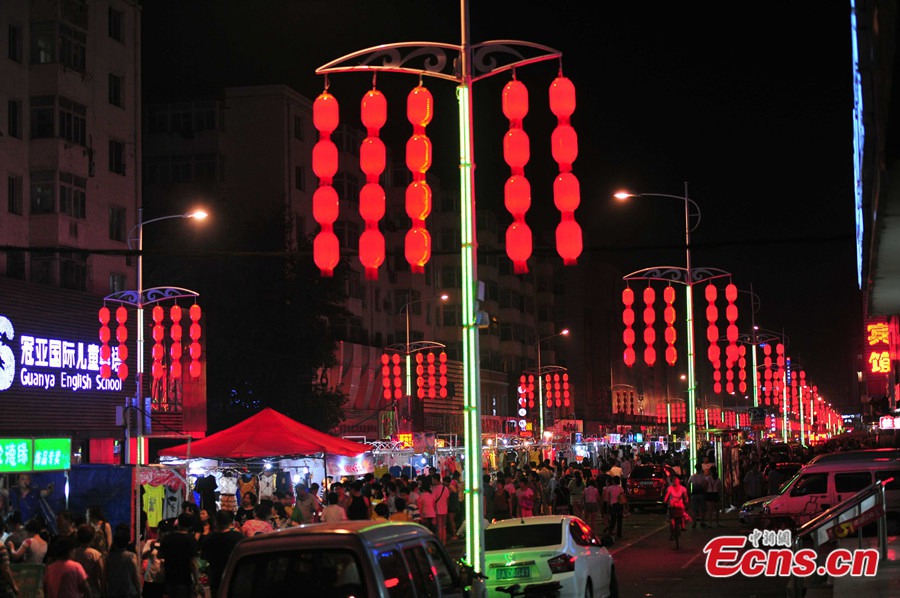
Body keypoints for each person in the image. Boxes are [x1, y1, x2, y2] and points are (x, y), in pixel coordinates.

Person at [201, 510, 243, 598]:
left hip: (215, 574)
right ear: (230, 522)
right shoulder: (238, 537)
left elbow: (204, 557)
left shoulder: (209, 538)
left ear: (215, 522)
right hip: (234, 575)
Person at [159, 513, 199, 598]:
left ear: (178, 523)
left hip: (169, 578)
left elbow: (160, 555)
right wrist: (197, 582)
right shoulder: (191, 540)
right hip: (184, 579)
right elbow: (193, 562)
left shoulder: (168, 537)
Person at [105, 524, 141, 598]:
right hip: (128, 591)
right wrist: (139, 592)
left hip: (113, 591)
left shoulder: (109, 557)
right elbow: (135, 576)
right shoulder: (130, 556)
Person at [72, 524, 104, 598]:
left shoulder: (73, 553)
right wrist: (103, 591)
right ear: (92, 538)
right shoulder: (96, 555)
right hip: (93, 591)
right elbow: (101, 575)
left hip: (77, 591)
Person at [663, 475, 689, 542]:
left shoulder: (683, 489)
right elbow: (666, 496)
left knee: (682, 514)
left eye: (675, 479)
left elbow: (686, 498)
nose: (674, 481)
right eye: (673, 480)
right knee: (672, 519)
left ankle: (683, 526)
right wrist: (665, 501)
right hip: (672, 506)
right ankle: (672, 533)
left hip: (679, 506)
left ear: (679, 481)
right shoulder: (670, 488)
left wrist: (686, 502)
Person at [687, 464, 708, 529]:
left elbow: (688, 484)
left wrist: (689, 493)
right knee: (702, 509)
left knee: (694, 509)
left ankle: (694, 522)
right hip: (701, 493)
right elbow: (705, 485)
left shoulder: (692, 476)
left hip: (694, 493)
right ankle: (702, 522)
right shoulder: (703, 476)